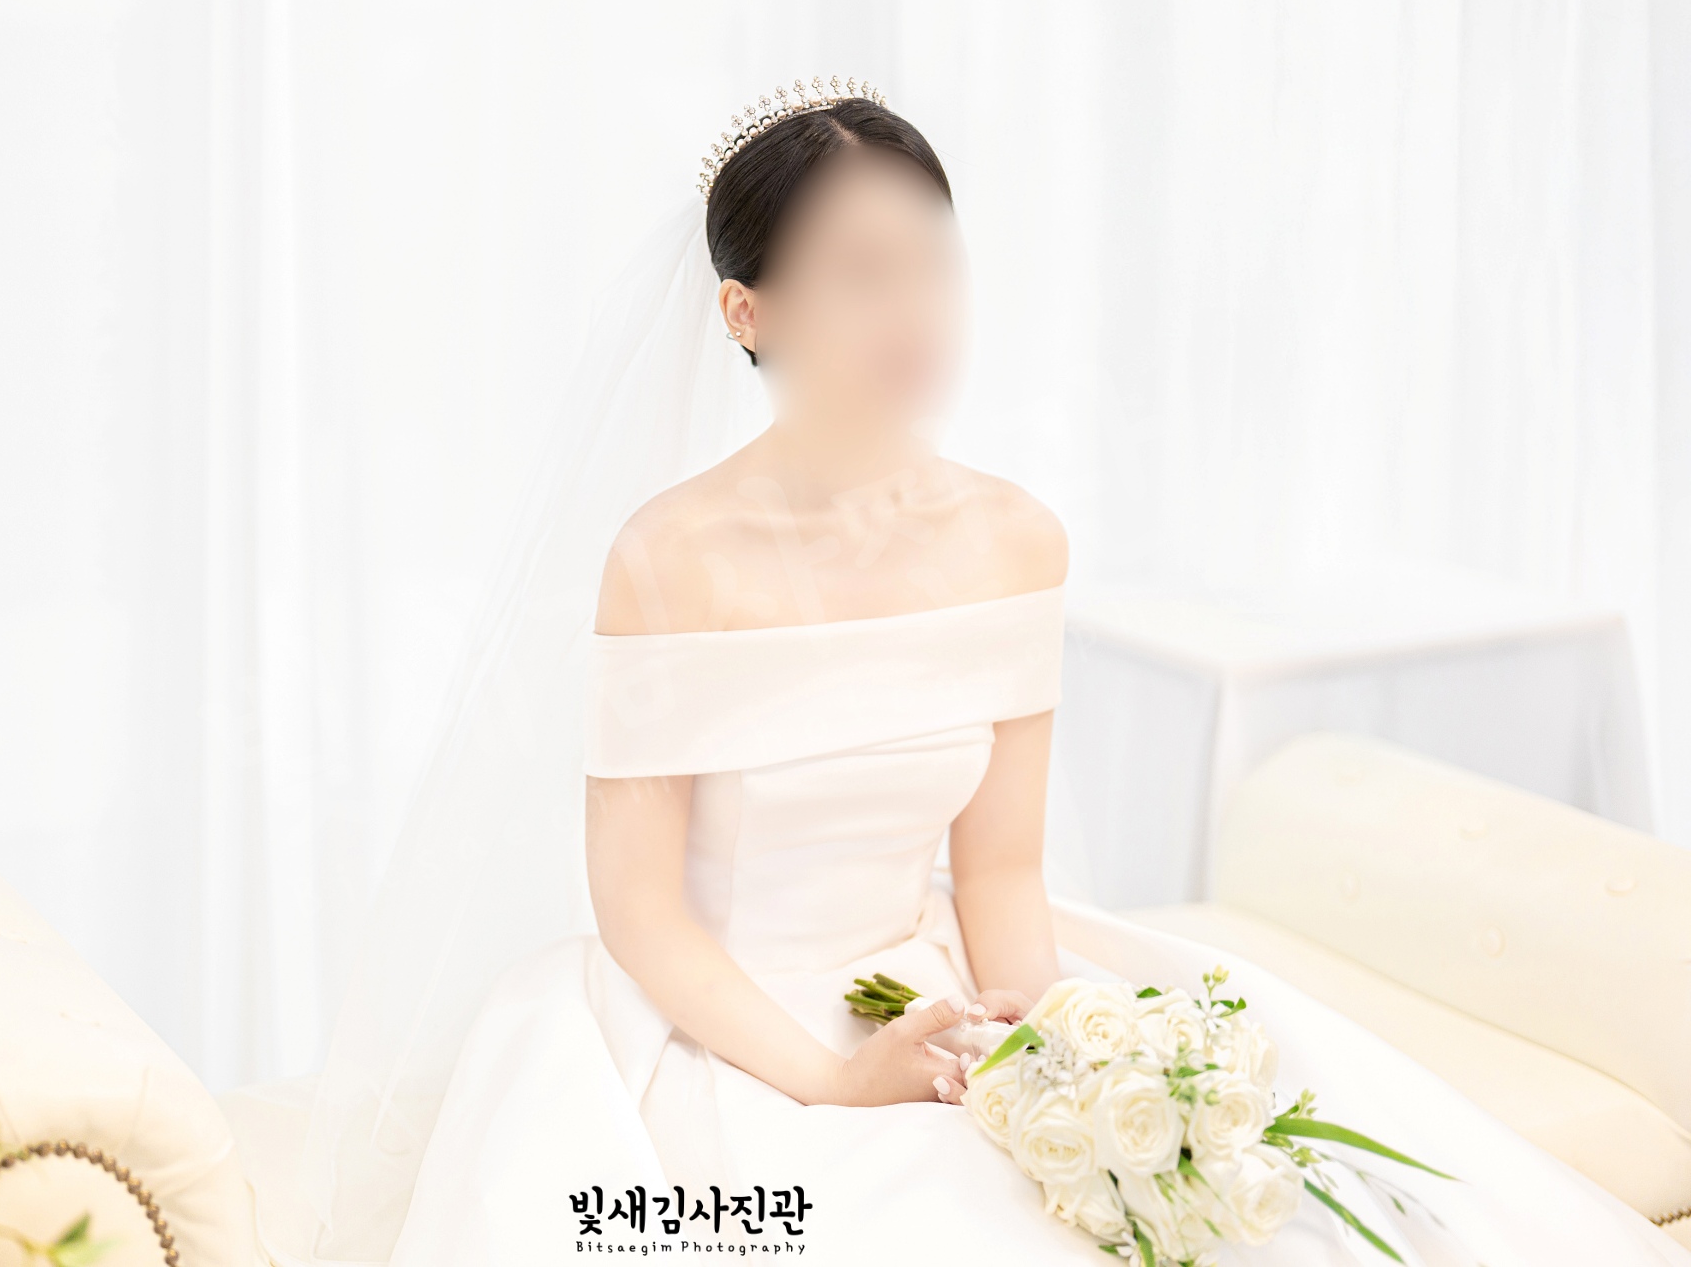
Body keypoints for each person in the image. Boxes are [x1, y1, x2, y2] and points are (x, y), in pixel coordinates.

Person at [254, 82, 1688, 1266]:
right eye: (861, 275)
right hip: (718, 1022)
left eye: (934, 262)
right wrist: (831, 1080)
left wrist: (1057, 1049)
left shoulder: (1013, 540)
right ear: (748, 313)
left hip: (932, 982)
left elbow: (999, 870)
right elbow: (639, 909)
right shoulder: (668, 558)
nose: (916, 311)